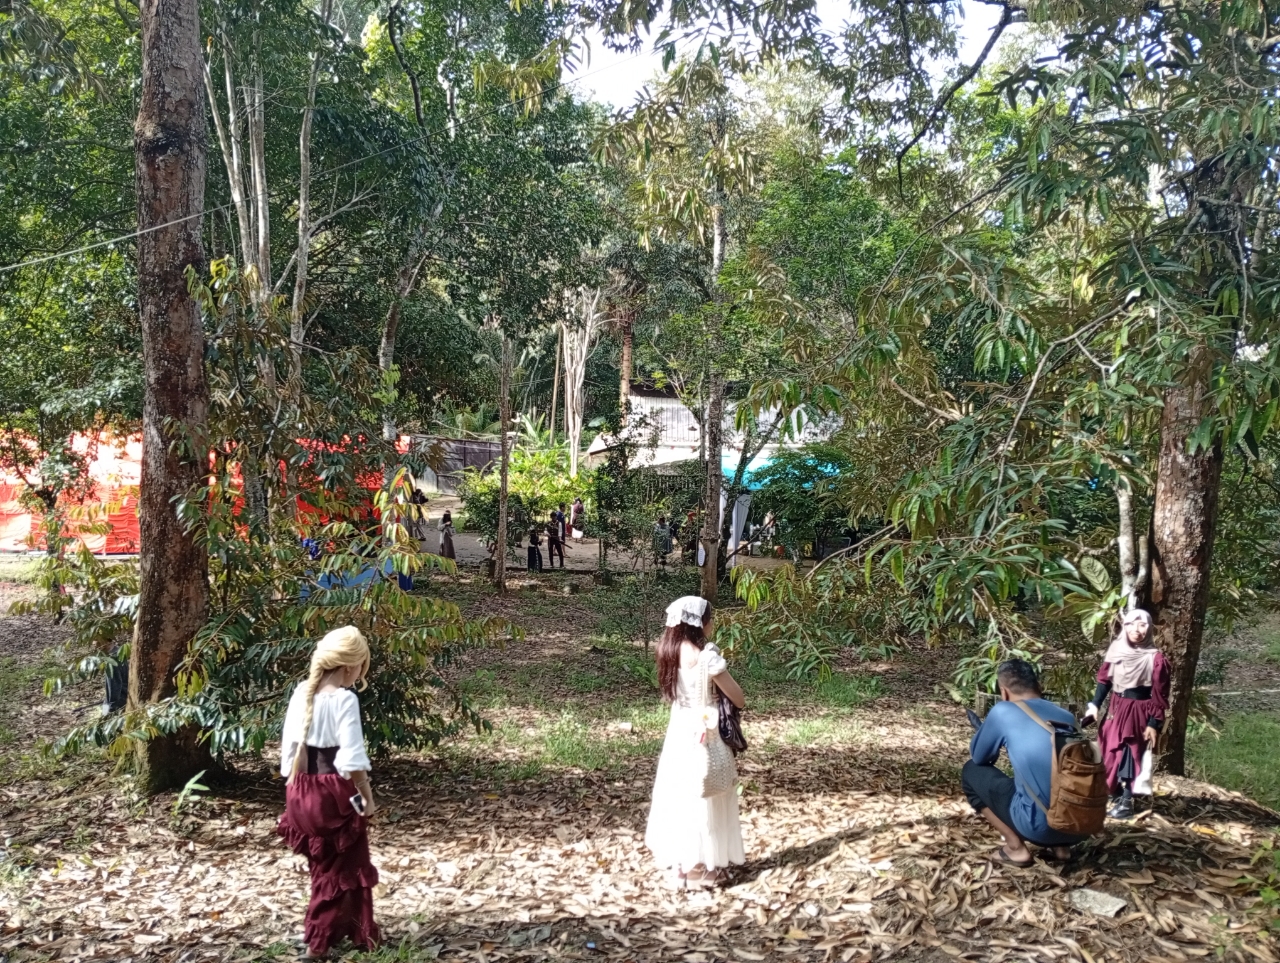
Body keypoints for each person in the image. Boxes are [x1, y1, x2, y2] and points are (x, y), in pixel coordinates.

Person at [277, 626, 380, 958]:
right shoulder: (344, 700)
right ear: (350, 666)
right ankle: (318, 943)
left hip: (299, 790)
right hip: (331, 793)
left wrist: (294, 790)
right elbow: (351, 757)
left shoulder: (301, 692)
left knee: (324, 868)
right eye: (361, 665)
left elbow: (291, 752)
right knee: (345, 868)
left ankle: (342, 931)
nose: (361, 672)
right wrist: (366, 796)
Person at [645, 596, 746, 888]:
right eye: (709, 619)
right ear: (700, 623)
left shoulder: (668, 651)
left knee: (679, 792)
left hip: (679, 729)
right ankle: (701, 868)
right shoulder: (706, 657)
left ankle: (682, 862)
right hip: (704, 728)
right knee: (706, 790)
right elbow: (738, 698)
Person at [962, 659, 1087, 867]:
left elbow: (980, 758)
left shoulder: (1003, 711)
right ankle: (1062, 848)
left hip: (1037, 828)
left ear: (1004, 692)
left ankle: (1015, 848)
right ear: (1039, 686)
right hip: (1082, 826)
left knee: (970, 771)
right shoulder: (1067, 717)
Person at [1083, 608, 1168, 819]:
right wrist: (1094, 705)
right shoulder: (1117, 650)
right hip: (1116, 707)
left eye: (1142, 625)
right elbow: (1105, 680)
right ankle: (1115, 793)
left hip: (1138, 711)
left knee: (1130, 753)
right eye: (1131, 624)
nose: (1136, 630)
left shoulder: (1155, 659)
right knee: (1108, 751)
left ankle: (1127, 803)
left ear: (1149, 628)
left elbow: (1160, 695)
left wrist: (1153, 723)